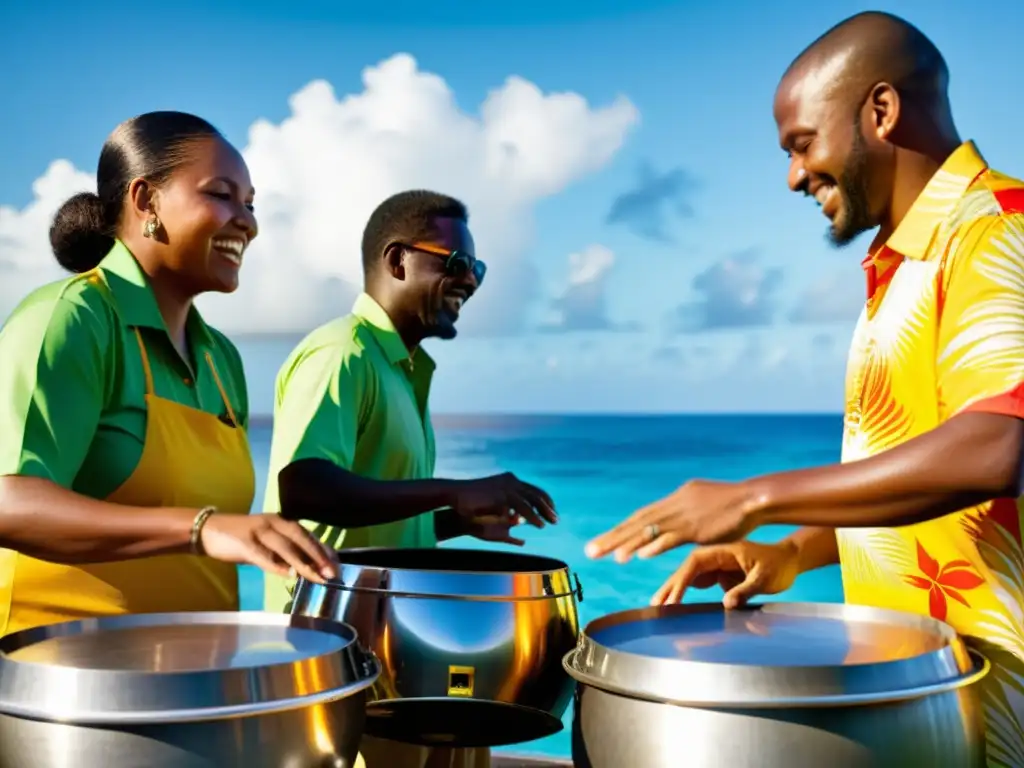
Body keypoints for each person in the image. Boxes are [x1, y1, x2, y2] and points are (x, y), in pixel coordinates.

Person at [585, 11, 1024, 765]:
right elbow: (936, 493)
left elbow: (994, 450)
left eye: (801, 143)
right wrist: (791, 549)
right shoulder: (905, 265)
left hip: (997, 706)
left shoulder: (996, 232)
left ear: (880, 112)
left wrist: (754, 495)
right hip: (921, 699)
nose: (793, 175)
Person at [0, 111, 336, 637]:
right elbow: (9, 503)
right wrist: (201, 528)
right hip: (57, 681)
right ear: (145, 201)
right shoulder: (72, 319)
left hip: (191, 682)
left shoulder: (221, 360)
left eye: (250, 204)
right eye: (222, 195)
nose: (247, 221)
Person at [262, 189, 558, 768]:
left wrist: (454, 520)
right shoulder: (341, 355)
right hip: (340, 666)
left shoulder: (402, 370)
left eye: (477, 268)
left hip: (399, 661)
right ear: (398, 261)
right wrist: (452, 489)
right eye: (456, 264)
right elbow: (304, 489)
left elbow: (369, 521)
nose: (470, 281)